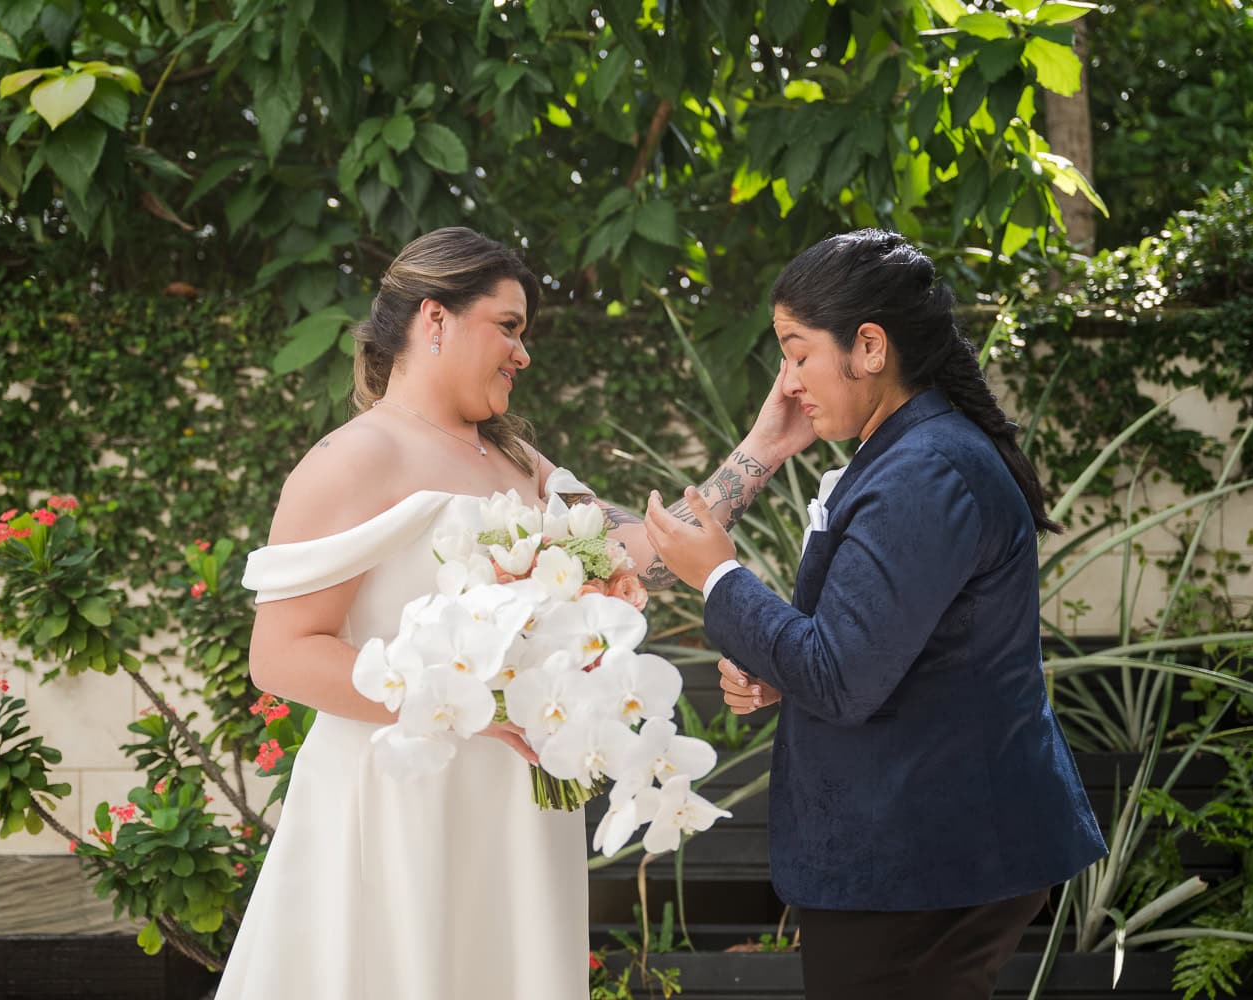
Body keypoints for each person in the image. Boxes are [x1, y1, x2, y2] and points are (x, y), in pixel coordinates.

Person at [214, 227, 805, 999]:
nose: (523, 354)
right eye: (509, 326)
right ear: (434, 318)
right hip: (403, 807)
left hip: (516, 808)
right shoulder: (350, 459)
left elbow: (651, 552)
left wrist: (767, 442)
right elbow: (283, 654)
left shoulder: (522, 464)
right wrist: (470, 711)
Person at [643, 229, 1107, 1000]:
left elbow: (841, 675)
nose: (787, 381)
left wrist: (719, 577)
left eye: (796, 352)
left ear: (868, 345)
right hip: (921, 853)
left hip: (920, 859)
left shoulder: (925, 469)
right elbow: (870, 652)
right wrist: (783, 674)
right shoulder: (913, 453)